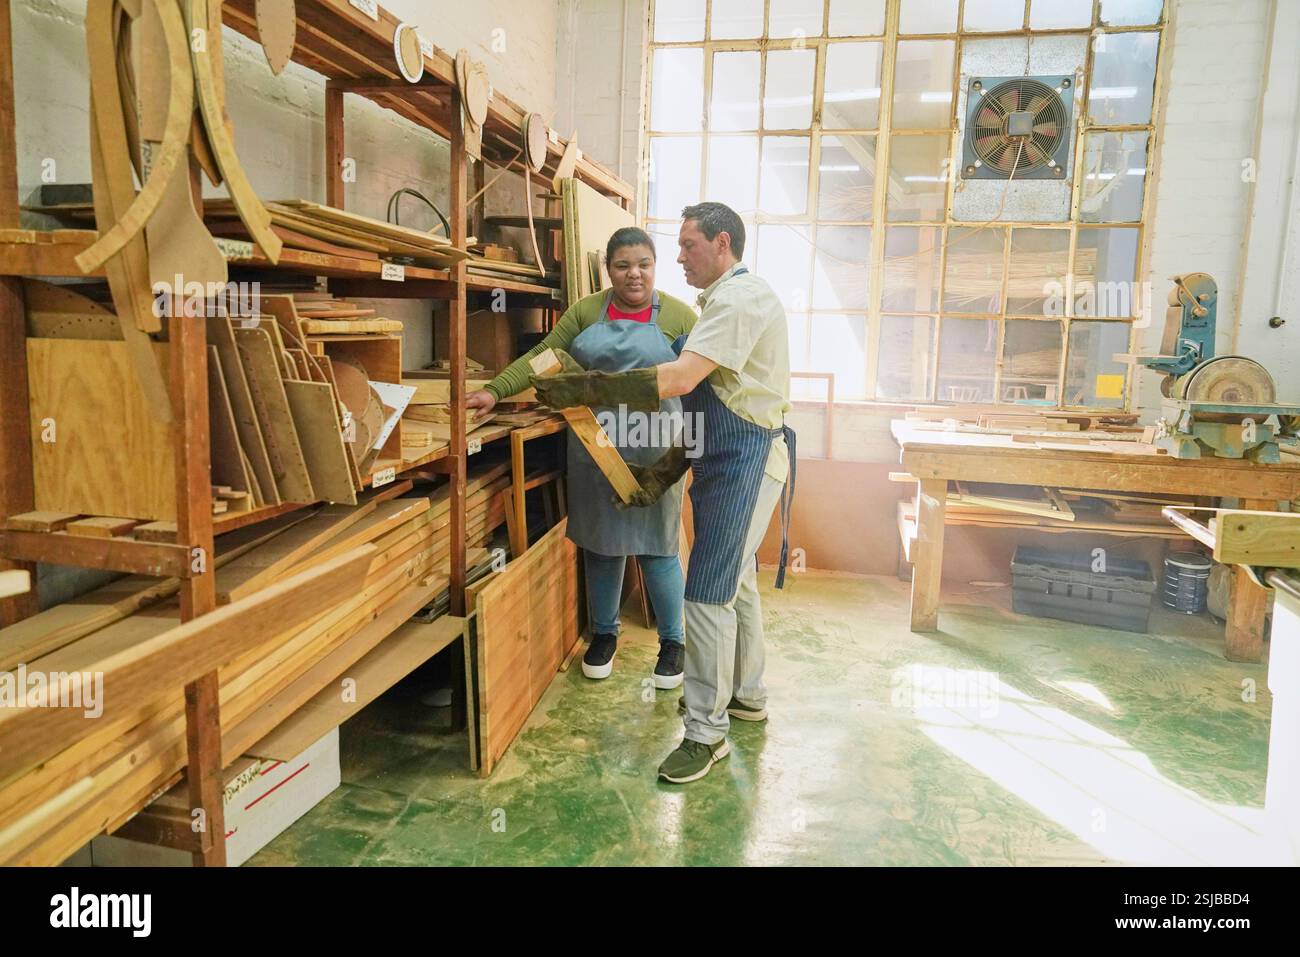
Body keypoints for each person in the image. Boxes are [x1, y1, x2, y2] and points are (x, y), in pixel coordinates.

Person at [531, 202, 794, 784]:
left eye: (686, 246)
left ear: (721, 243)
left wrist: (586, 386)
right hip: (723, 457)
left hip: (746, 462)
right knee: (738, 585)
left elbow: (679, 382)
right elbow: (710, 405)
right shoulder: (717, 302)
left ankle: (705, 733)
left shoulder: (738, 299)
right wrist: (668, 468)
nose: (677, 258)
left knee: (706, 593)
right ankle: (746, 695)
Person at [468, 227, 697, 688]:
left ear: (656, 267)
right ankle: (604, 635)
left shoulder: (678, 315)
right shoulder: (586, 312)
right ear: (607, 269)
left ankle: (673, 643)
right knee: (601, 545)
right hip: (593, 445)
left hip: (656, 445)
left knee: (659, 548)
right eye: (622, 265)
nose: (634, 274)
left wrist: (693, 447)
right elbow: (542, 356)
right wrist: (495, 391)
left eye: (644, 265)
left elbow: (700, 381)